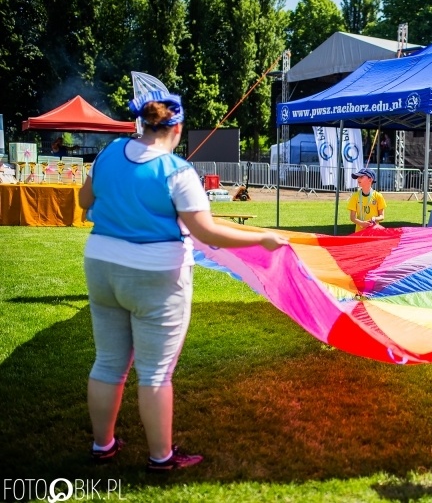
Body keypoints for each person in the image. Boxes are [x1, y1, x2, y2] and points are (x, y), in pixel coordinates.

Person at [79, 90, 288, 472]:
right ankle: (161, 458)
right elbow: (207, 234)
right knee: (156, 372)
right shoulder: (177, 172)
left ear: (142, 123)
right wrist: (262, 237)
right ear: (176, 127)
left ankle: (102, 445)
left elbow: (83, 200)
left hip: (101, 263)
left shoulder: (108, 153)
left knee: (108, 363)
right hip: (157, 274)